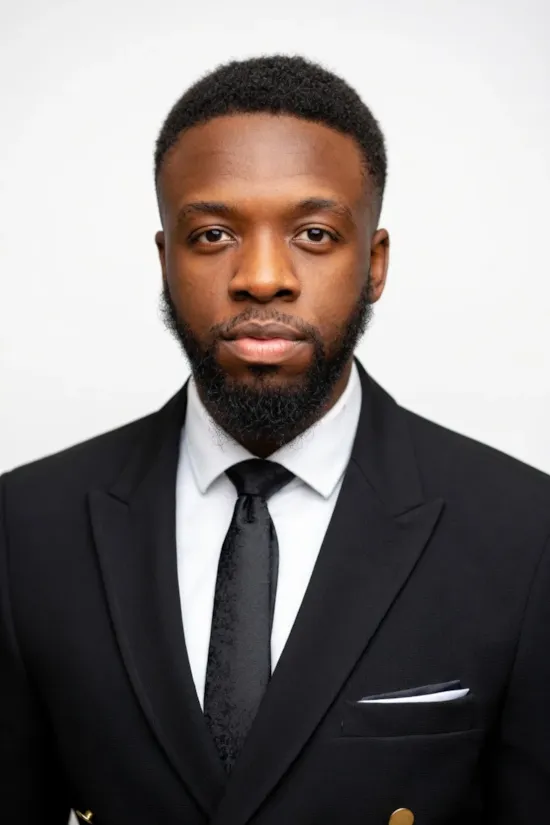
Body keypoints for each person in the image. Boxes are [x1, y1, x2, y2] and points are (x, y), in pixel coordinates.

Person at [1, 54, 549, 825]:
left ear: (375, 261)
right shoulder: (24, 525)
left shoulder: (527, 534)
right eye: (214, 232)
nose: (262, 276)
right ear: (166, 260)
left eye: (316, 233)